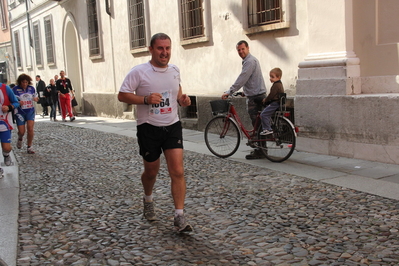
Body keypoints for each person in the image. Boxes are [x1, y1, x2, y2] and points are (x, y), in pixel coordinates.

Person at [118, 33, 193, 232]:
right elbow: (122, 94)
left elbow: (176, 92)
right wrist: (145, 99)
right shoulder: (139, 72)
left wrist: (182, 100)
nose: (164, 52)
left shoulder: (175, 70)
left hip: (172, 125)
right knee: (151, 171)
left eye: (167, 48)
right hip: (148, 127)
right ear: (151, 49)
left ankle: (179, 216)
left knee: (177, 170)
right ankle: (148, 198)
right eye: (160, 48)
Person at [222, 40, 267, 159]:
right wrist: (244, 92)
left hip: (256, 97)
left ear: (248, 48)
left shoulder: (250, 61)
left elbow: (243, 78)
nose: (241, 51)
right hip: (255, 94)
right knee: (258, 124)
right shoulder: (249, 61)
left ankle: (261, 151)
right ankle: (261, 149)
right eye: (239, 50)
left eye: (243, 49)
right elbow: (251, 79)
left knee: (257, 124)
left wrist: (229, 91)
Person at [12, 74, 39, 154]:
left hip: (30, 111)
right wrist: (18, 102)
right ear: (20, 82)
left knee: (30, 129)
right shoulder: (15, 89)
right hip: (19, 112)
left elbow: (37, 97)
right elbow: (12, 99)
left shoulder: (31, 88)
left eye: (26, 82)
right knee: (22, 131)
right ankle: (20, 138)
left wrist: (36, 99)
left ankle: (29, 146)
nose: (25, 84)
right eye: (23, 82)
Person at [0, 82, 20, 176]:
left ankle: (6, 155)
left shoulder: (5, 88)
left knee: (6, 147)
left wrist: (9, 107)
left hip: (5, 123)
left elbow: (16, 102)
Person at [260, 68, 285, 135]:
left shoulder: (276, 85)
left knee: (263, 114)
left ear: (278, 77)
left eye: (272, 77)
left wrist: (265, 100)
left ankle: (267, 129)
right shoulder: (279, 84)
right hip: (278, 103)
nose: (270, 78)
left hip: (275, 103)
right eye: (270, 76)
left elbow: (271, 95)